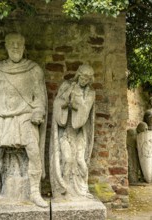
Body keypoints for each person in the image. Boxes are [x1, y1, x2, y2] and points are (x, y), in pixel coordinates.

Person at [0, 33, 48, 207]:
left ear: (24, 47)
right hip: (0, 114)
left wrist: (38, 111)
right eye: (12, 44)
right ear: (6, 47)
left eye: (19, 44)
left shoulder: (34, 69)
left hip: (25, 114)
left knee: (32, 150)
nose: (16, 47)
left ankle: (34, 191)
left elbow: (40, 96)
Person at [50, 64, 95, 200]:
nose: (84, 80)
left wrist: (74, 103)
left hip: (79, 133)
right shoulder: (66, 86)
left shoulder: (90, 93)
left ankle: (82, 190)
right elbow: (57, 103)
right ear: (78, 75)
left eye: (87, 79)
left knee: (81, 161)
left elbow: (84, 112)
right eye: (82, 77)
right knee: (68, 160)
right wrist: (65, 102)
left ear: (90, 80)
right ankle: (64, 191)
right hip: (66, 132)